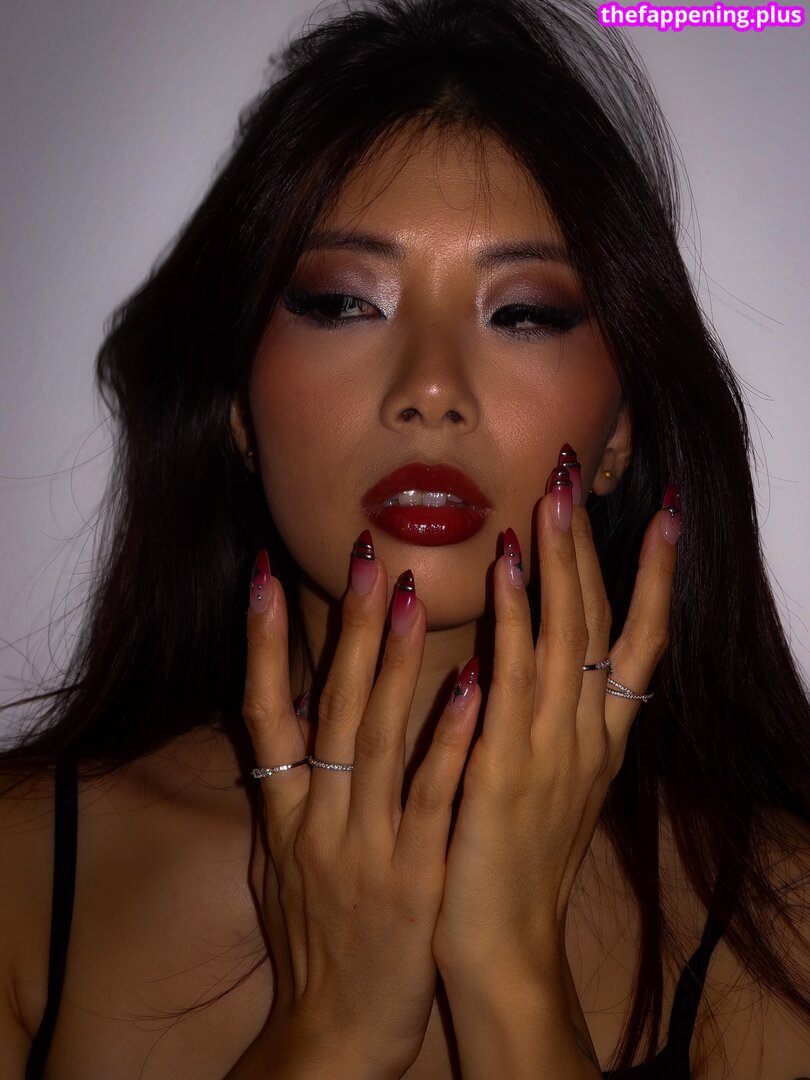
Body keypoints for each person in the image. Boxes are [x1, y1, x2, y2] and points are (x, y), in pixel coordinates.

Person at [1, 0, 809, 1076]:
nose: (431, 388)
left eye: (524, 312)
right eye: (344, 302)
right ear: (236, 406)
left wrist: (512, 978)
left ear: (618, 436)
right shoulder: (19, 871)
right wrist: (329, 1032)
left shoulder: (776, 909)